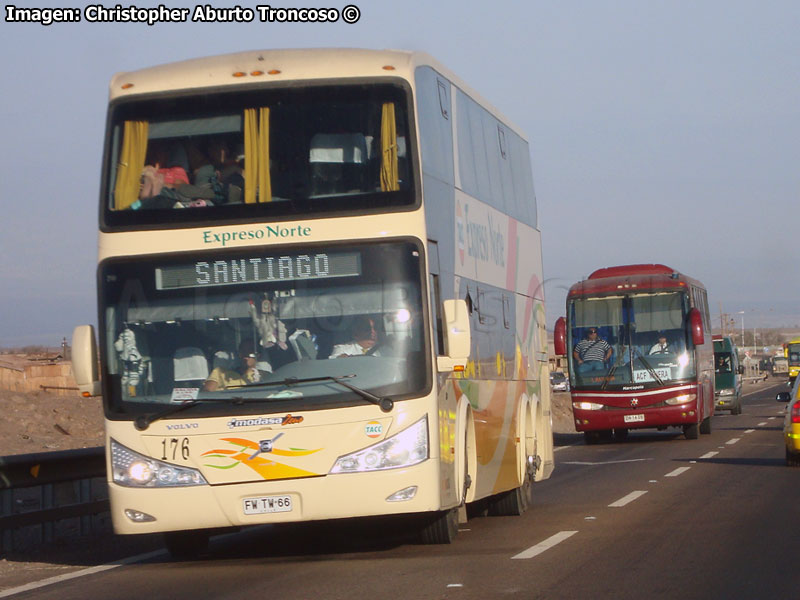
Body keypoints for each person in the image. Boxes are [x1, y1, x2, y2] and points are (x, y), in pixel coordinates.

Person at [203, 340, 268, 391]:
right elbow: (207, 394)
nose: (246, 354)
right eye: (243, 351)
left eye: (251, 351)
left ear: (258, 355)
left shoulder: (264, 376)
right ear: (239, 354)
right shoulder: (220, 372)